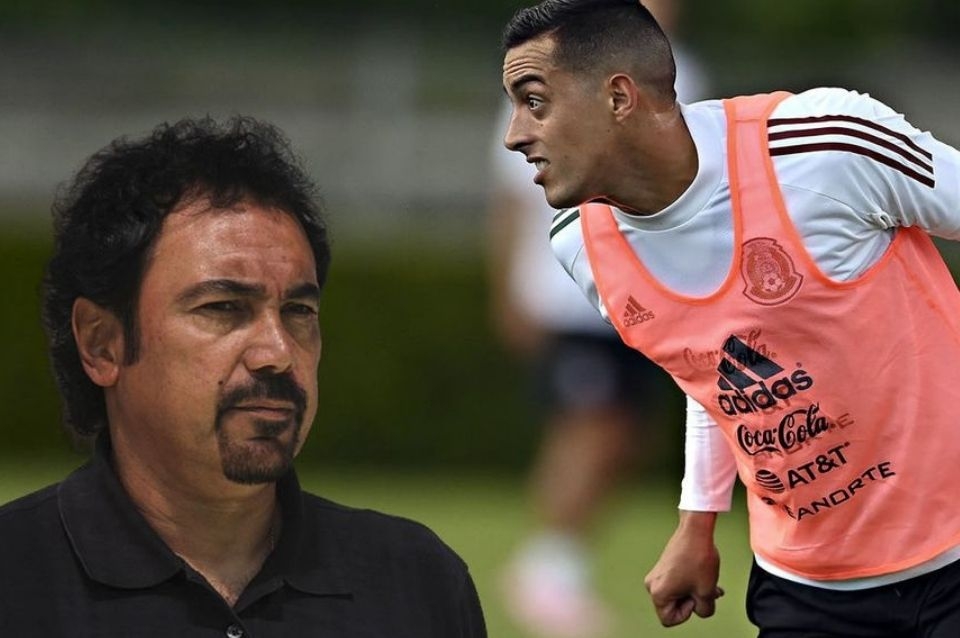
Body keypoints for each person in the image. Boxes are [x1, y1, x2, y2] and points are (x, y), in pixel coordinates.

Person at [499, 1, 960, 636]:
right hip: (803, 589)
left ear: (619, 97)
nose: (514, 135)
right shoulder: (581, 243)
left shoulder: (822, 144)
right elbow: (714, 370)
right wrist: (697, 522)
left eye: (534, 102)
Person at [0, 117, 487, 637]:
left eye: (298, 311)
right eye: (224, 307)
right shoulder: (17, 582)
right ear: (102, 343)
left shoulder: (416, 584)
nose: (277, 352)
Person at [487, 2, 704, 636]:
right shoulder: (554, 63)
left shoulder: (684, 70)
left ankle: (564, 562)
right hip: (572, 292)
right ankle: (545, 571)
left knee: (628, 432)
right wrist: (508, 288)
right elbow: (511, 189)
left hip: (647, 294)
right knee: (591, 426)